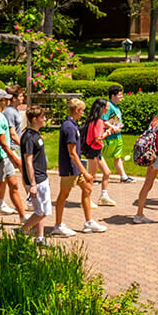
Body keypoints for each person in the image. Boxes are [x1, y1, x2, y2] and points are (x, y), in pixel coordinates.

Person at [51, 98, 107, 235]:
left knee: (87, 189)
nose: (83, 113)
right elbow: (72, 154)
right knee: (63, 196)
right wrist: (86, 172)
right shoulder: (69, 127)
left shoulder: (73, 124)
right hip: (70, 168)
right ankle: (58, 225)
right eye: (82, 110)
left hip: (76, 168)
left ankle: (88, 223)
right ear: (76, 110)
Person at [0, 88, 27, 222]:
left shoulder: (1, 115)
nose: (8, 101)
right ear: (1, 101)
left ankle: (23, 217)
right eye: (6, 99)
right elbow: (3, 143)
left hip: (5, 158)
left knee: (14, 186)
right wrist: (16, 159)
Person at [18, 106, 50, 245]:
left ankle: (40, 237)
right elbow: (28, 162)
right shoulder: (29, 137)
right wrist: (32, 185)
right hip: (37, 180)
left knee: (39, 210)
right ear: (35, 119)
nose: (45, 119)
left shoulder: (35, 134)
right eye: (42, 117)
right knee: (43, 211)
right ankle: (21, 232)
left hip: (41, 177)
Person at [0, 85, 24, 215]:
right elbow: (11, 134)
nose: (23, 98)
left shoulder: (11, 111)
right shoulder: (7, 113)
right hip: (11, 149)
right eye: (21, 96)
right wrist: (23, 146)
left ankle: (0, 203)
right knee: (22, 172)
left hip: (11, 150)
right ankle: (30, 200)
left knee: (6, 179)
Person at [84, 97, 116, 206]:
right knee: (91, 176)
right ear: (102, 108)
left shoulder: (96, 119)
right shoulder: (97, 121)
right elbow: (98, 138)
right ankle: (86, 198)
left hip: (97, 150)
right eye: (107, 106)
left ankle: (104, 196)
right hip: (93, 151)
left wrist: (110, 126)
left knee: (107, 172)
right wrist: (108, 132)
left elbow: (104, 123)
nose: (108, 108)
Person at [101, 85, 134, 183]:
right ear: (113, 95)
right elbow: (103, 121)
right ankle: (91, 175)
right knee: (98, 156)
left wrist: (118, 126)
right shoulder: (108, 106)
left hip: (117, 136)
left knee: (117, 156)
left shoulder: (116, 107)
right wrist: (112, 128)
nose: (122, 96)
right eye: (119, 95)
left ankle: (123, 177)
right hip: (108, 137)